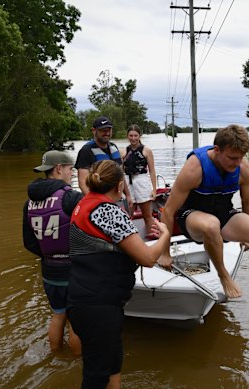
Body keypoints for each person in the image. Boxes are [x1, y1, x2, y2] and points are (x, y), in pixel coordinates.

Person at [158, 124, 249, 325]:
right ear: (217, 150)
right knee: (211, 225)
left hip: (223, 213)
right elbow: (169, 211)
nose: (237, 163)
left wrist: (246, 237)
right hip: (191, 217)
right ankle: (224, 276)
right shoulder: (195, 167)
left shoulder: (243, 168)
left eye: (241, 157)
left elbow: (248, 202)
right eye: (232, 158)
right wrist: (165, 252)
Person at [67, 160, 169, 389]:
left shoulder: (84, 204)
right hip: (97, 304)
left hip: (85, 298)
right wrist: (165, 234)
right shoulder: (108, 212)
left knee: (112, 362)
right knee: (96, 376)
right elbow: (148, 258)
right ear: (120, 185)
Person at [22, 150, 82, 355]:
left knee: (58, 315)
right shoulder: (72, 197)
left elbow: (28, 242)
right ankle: (77, 363)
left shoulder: (29, 202)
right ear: (59, 169)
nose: (72, 174)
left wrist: (49, 254)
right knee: (76, 322)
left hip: (49, 272)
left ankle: (55, 356)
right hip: (73, 271)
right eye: (70, 169)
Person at [74, 116, 133, 210]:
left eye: (109, 130)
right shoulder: (86, 151)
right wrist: (96, 204)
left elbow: (120, 175)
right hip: (99, 202)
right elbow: (82, 182)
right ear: (94, 131)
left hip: (118, 198)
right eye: (103, 130)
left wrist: (128, 195)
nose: (107, 133)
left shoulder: (114, 147)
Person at [122, 124, 157, 237]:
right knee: (128, 215)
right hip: (128, 181)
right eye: (131, 136)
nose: (133, 138)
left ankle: (152, 237)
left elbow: (152, 171)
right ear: (127, 136)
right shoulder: (123, 152)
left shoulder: (146, 150)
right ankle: (129, 241)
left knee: (147, 215)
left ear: (139, 136)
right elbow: (120, 172)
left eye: (135, 135)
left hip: (141, 180)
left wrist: (154, 189)